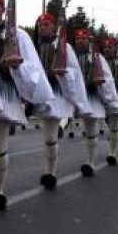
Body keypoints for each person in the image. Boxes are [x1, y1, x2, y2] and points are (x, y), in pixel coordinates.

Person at [0, 0, 52, 210]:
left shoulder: (19, 36)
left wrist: (18, 66)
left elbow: (32, 66)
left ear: (4, 10)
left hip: (2, 88)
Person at [30, 13, 90, 189]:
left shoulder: (64, 47)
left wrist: (63, 72)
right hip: (39, 91)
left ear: (53, 26)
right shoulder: (34, 46)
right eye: (40, 25)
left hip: (56, 92)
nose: (42, 28)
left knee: (50, 136)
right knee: (46, 134)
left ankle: (50, 172)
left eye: (46, 25)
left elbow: (74, 70)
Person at [71, 29, 118, 176]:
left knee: (91, 130)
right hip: (76, 95)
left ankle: (90, 162)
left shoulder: (98, 57)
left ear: (89, 41)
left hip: (93, 96)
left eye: (83, 39)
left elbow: (108, 79)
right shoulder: (70, 56)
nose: (80, 41)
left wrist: (102, 85)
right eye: (78, 39)